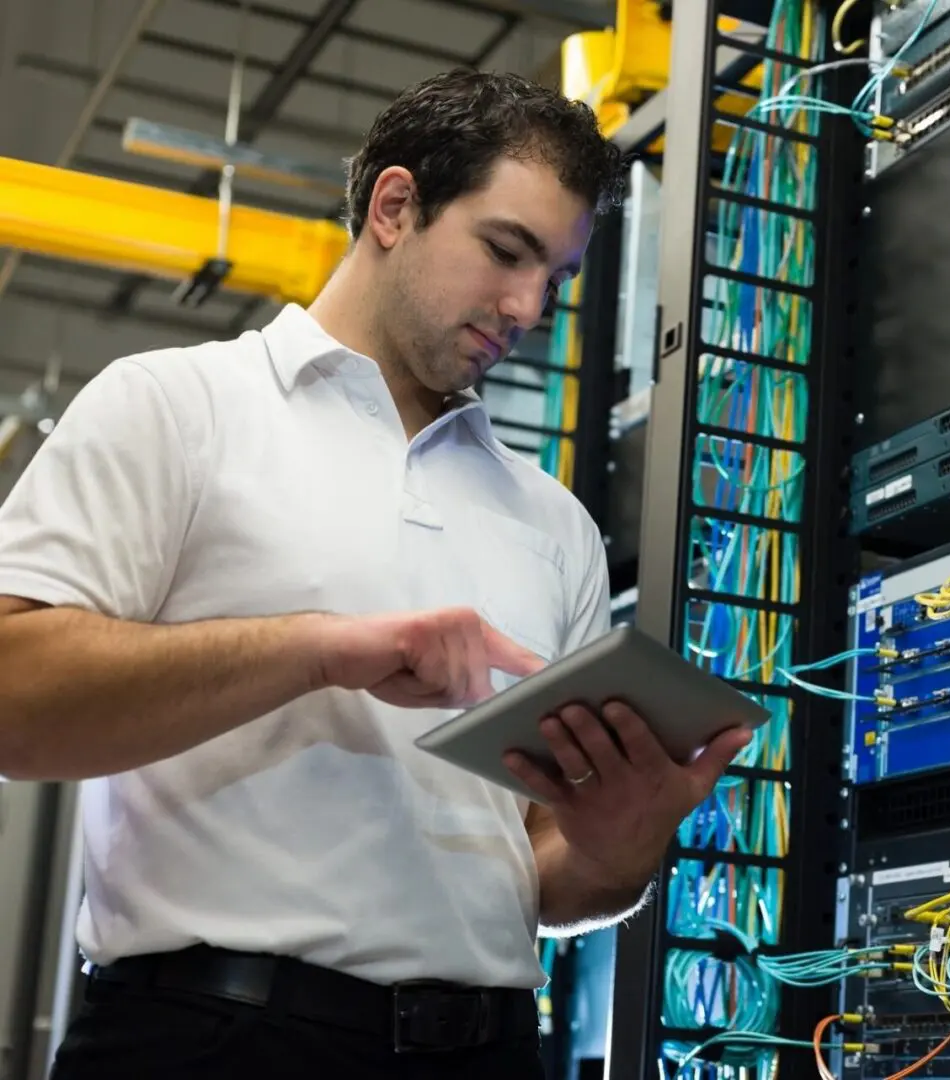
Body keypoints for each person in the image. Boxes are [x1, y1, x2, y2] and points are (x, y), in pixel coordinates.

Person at [0, 69, 751, 1079]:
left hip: (487, 1049)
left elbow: (541, 873)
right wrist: (319, 649)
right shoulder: (179, 407)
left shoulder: (554, 524)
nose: (527, 305)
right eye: (506, 250)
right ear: (395, 205)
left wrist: (618, 846)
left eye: (558, 278)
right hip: (211, 1041)